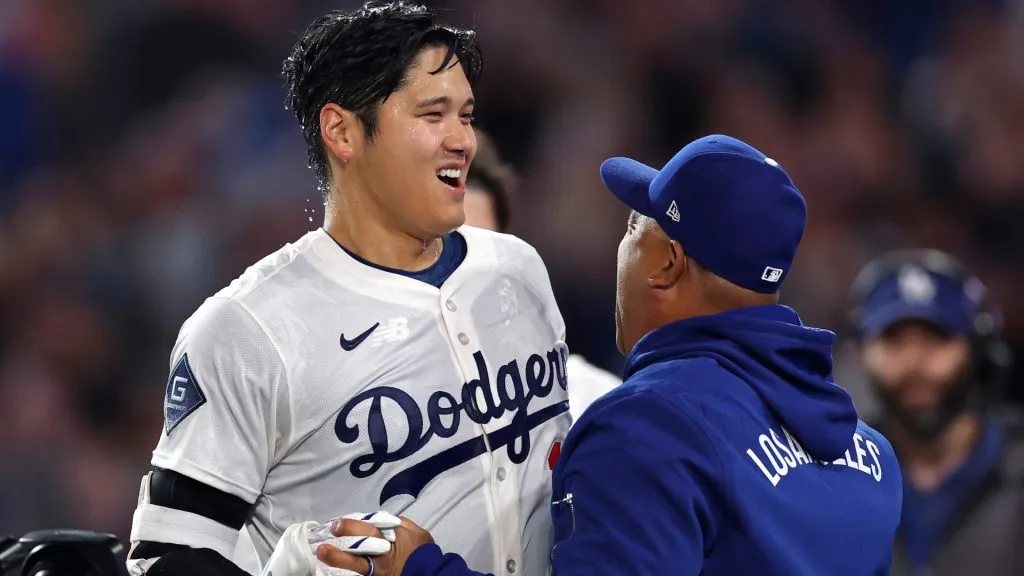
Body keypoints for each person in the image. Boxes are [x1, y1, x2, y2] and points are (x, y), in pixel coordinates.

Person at [316, 134, 905, 576]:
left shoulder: (650, 425)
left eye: (632, 228)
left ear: (668, 263)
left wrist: (422, 571)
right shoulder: (868, 452)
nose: (620, 251)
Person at [125, 3, 573, 575]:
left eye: (466, 115)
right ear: (341, 131)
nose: (463, 140)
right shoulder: (248, 328)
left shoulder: (518, 269)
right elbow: (171, 557)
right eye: (433, 114)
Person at [848, 249, 1024, 575]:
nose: (914, 363)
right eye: (894, 340)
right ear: (861, 352)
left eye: (936, 338)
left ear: (977, 348)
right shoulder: (838, 478)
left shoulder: (1016, 464)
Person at [462, 129, 621, 423]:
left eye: (483, 252)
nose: (463, 275)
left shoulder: (589, 405)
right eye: (442, 249)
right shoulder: (366, 418)